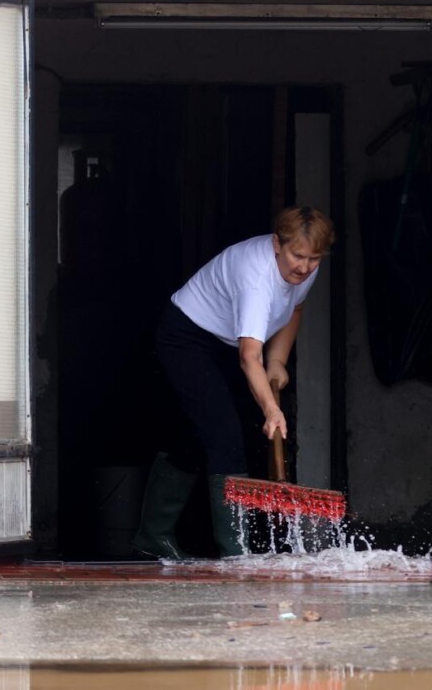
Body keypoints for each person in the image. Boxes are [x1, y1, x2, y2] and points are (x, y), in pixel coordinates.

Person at [132, 206, 336, 559]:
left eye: (313, 259)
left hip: (227, 341)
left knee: (197, 438)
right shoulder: (255, 278)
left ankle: (152, 537)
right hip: (188, 337)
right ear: (277, 244)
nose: (303, 267)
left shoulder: (303, 272)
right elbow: (248, 357)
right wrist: (271, 409)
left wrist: (279, 361)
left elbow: (295, 309)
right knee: (225, 436)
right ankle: (236, 554)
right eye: (297, 256)